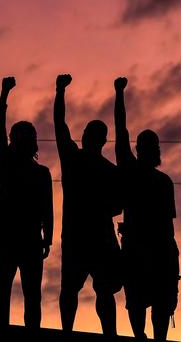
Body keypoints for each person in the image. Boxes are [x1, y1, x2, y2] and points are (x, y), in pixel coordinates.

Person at [53, 74, 122, 336]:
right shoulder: (101, 167)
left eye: (87, 133)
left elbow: (59, 124)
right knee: (92, 289)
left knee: (80, 288)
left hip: (82, 236)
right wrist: (60, 91)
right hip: (92, 236)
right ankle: (106, 334)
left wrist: (60, 91)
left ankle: (74, 332)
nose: (84, 136)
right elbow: (118, 206)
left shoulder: (75, 159)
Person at [113, 77, 179, 341]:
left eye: (156, 146)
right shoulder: (130, 170)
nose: (154, 150)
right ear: (140, 150)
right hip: (137, 246)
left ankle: (157, 338)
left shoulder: (165, 181)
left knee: (162, 300)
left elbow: (169, 222)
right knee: (137, 299)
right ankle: (140, 336)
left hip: (162, 247)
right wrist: (119, 94)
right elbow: (120, 130)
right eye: (148, 146)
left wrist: (172, 252)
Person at [0, 76, 53, 328]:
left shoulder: (15, 165)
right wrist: (47, 238)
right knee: (22, 295)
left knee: (13, 294)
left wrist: (47, 238)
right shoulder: (13, 164)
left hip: (20, 238)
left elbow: (47, 208)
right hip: (18, 237)